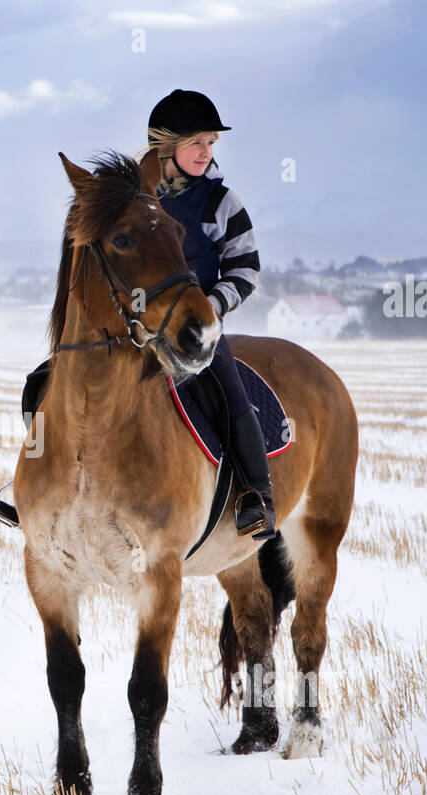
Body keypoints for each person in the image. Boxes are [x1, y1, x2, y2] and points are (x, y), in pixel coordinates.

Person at [144, 88, 274, 540]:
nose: (207, 152)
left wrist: (209, 310)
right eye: (197, 142)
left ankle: (256, 496)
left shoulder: (222, 201)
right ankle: (30, 488)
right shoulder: (133, 196)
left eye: (212, 143)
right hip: (132, 327)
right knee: (52, 378)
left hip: (193, 336)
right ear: (166, 146)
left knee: (231, 397)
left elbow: (245, 269)